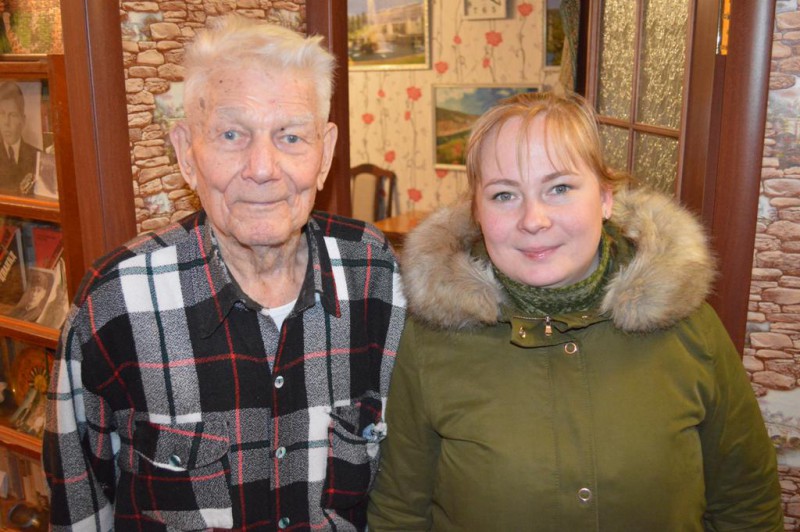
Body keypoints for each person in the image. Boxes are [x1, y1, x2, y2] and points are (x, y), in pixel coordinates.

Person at [43, 15, 406, 531]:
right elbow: (79, 507)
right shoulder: (115, 302)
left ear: (325, 155)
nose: (262, 168)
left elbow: (407, 487)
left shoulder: (375, 275)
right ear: (186, 154)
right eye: (232, 134)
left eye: (291, 137)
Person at [367, 92, 783, 530]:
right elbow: (400, 512)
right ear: (478, 213)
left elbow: (747, 504)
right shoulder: (430, 341)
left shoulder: (692, 329)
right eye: (504, 195)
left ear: (605, 198)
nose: (534, 219)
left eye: (560, 188)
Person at [0, 81, 38, 194]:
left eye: (13, 115)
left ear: (23, 120)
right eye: (1, 114)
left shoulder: (37, 157)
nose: (6, 122)